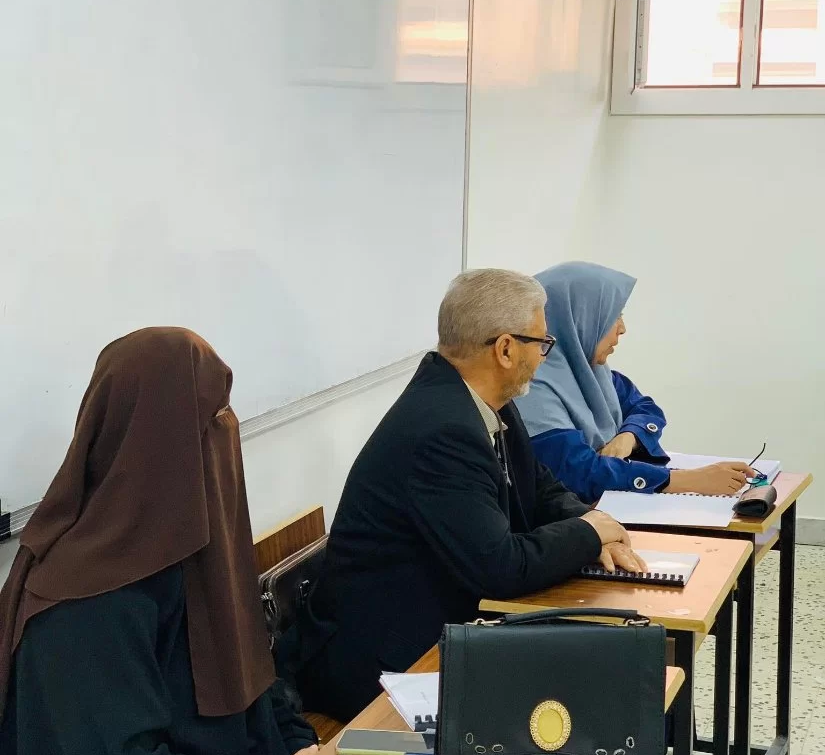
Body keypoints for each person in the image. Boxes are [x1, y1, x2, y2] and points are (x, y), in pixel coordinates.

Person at [0, 328, 370, 755]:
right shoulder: (81, 606)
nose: (230, 431)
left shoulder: (193, 561)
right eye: (214, 418)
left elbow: (259, 682)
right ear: (159, 444)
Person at [294, 269, 645, 727]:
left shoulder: (480, 401)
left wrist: (598, 530)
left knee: (605, 669)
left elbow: (539, 488)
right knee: (585, 692)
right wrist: (587, 533)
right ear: (505, 349)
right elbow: (500, 568)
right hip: (382, 664)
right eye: (542, 343)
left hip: (436, 624)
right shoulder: (442, 430)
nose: (544, 356)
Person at [515, 262, 754, 505]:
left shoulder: (592, 374)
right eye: (613, 316)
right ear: (577, 318)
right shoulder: (529, 387)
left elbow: (646, 409)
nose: (622, 329)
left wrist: (628, 437)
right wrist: (688, 480)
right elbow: (578, 474)